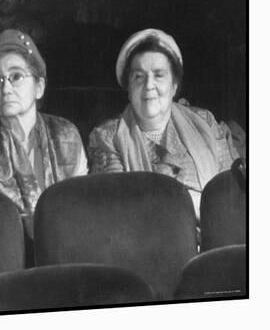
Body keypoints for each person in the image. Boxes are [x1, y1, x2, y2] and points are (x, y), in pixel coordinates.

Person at [88, 29, 239, 220]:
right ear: (128, 88)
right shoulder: (108, 137)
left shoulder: (205, 123)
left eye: (158, 75)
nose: (149, 85)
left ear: (174, 85)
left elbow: (230, 195)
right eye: (139, 77)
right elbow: (117, 212)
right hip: (147, 244)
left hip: (213, 241)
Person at [0, 29, 88, 220]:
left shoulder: (66, 135)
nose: (6, 88)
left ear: (39, 87)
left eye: (16, 76)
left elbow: (80, 210)